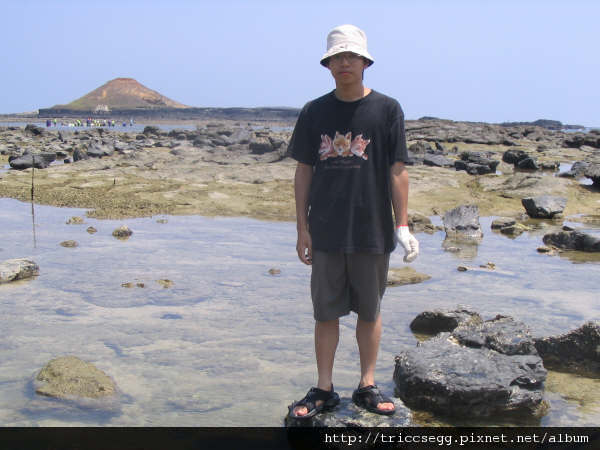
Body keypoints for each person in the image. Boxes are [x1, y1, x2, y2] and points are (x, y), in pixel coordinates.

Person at [288, 24, 419, 419]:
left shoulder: (387, 109)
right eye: (337, 57)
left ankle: (366, 384)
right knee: (325, 312)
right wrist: (301, 227)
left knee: (370, 310)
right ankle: (324, 389)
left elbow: (398, 169)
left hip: (372, 228)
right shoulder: (314, 111)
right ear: (328, 65)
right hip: (325, 229)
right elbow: (304, 170)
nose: (344, 62)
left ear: (365, 62)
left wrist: (403, 225)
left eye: (351, 56)